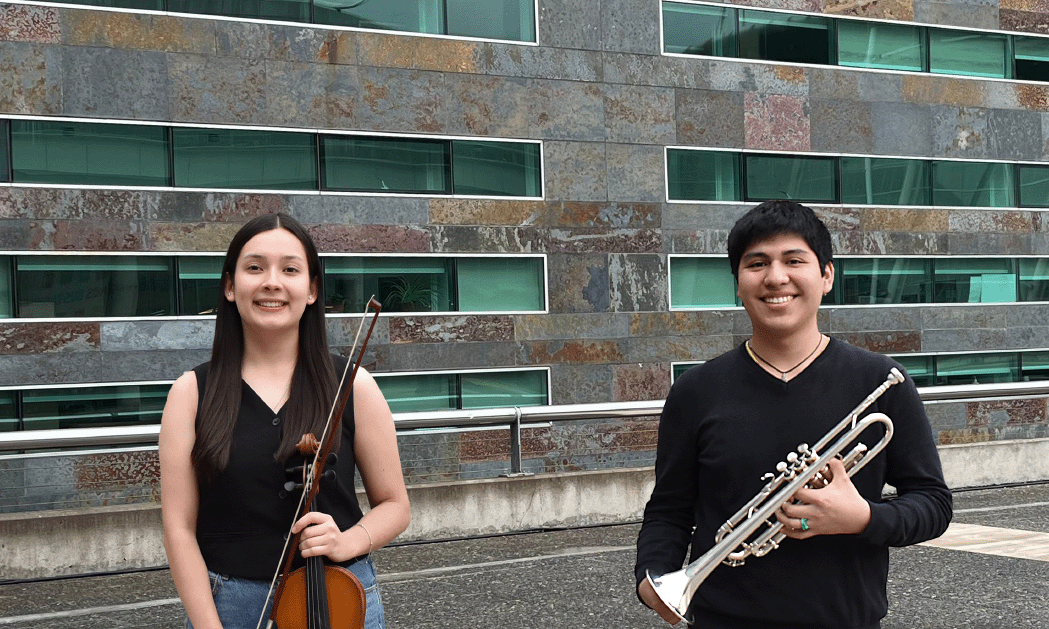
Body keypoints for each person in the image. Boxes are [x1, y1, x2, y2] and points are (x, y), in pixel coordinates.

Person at [635, 200, 952, 629]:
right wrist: (652, 576)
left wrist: (863, 518)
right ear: (738, 282)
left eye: (794, 260)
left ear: (826, 276)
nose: (775, 277)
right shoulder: (695, 391)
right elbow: (670, 509)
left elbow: (933, 504)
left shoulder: (882, 381)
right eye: (757, 263)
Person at [160, 213, 410, 629]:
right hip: (229, 607)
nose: (272, 282)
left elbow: (395, 506)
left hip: (339, 598)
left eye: (290, 269)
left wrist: (347, 540)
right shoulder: (190, 394)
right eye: (254, 267)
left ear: (311, 290)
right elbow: (179, 528)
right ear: (229, 285)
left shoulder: (354, 384)